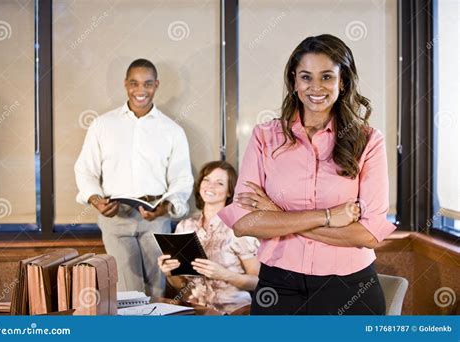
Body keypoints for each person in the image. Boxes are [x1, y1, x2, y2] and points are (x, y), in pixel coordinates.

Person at [218, 34, 396, 315]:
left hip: (350, 290)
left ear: (343, 81)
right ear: (294, 81)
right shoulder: (265, 137)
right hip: (278, 288)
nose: (316, 87)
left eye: (327, 77)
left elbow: (370, 235)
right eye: (306, 77)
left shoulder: (368, 140)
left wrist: (276, 214)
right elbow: (243, 223)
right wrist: (327, 217)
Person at [75, 59, 194, 297]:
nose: (141, 90)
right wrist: (96, 200)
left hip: (155, 218)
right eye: (134, 83)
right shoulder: (102, 125)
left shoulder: (172, 131)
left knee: (157, 291)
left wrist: (164, 208)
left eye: (148, 84)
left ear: (156, 85)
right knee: (129, 294)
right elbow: (85, 170)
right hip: (115, 218)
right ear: (125, 85)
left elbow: (182, 179)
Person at [157, 161, 260, 314]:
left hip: (232, 312)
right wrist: (169, 273)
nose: (210, 186)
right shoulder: (185, 227)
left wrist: (223, 274)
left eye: (219, 183)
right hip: (193, 310)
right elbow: (180, 285)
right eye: (206, 180)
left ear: (229, 191)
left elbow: (258, 282)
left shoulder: (238, 229)